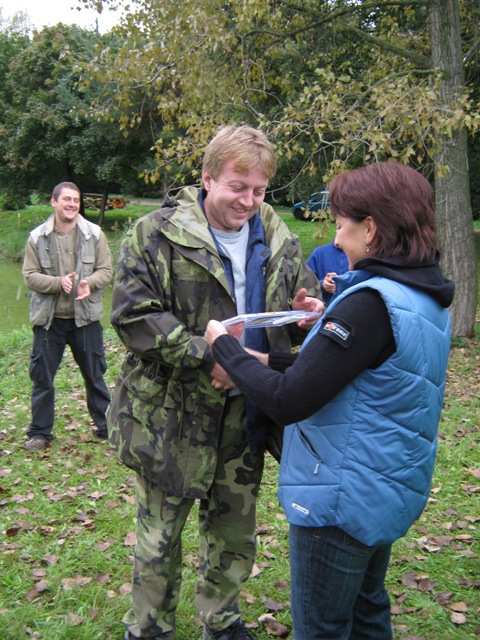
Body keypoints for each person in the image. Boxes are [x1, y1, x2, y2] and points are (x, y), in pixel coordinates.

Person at [205, 161, 454, 639]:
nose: (336, 242)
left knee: (321, 627)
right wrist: (262, 357)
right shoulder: (422, 295)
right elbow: (348, 369)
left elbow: (291, 399)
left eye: (341, 226)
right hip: (384, 484)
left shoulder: (370, 303)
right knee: (366, 611)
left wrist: (227, 349)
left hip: (341, 496)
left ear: (372, 228)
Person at [107, 124, 323, 640]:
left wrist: (305, 311)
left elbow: (297, 296)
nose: (249, 201)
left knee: (233, 533)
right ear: (207, 179)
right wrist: (209, 357)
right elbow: (134, 315)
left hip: (246, 413)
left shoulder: (277, 236)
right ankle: (150, 626)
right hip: (170, 417)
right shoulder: (154, 234)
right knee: (160, 537)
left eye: (260, 190)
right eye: (237, 187)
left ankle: (221, 620)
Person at [22, 181, 112, 451]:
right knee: (42, 378)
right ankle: (39, 433)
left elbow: (106, 270)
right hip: (50, 322)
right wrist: (57, 283)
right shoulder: (37, 237)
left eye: (76, 200)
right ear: (54, 202)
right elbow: (29, 276)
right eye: (67, 199)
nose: (72, 204)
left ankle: (108, 427)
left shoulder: (95, 234)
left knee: (95, 376)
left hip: (85, 320)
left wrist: (90, 283)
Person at [307, 240, 349, 304]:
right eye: (338, 229)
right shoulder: (319, 253)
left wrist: (343, 286)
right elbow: (304, 285)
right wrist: (323, 284)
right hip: (323, 310)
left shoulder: (360, 256)